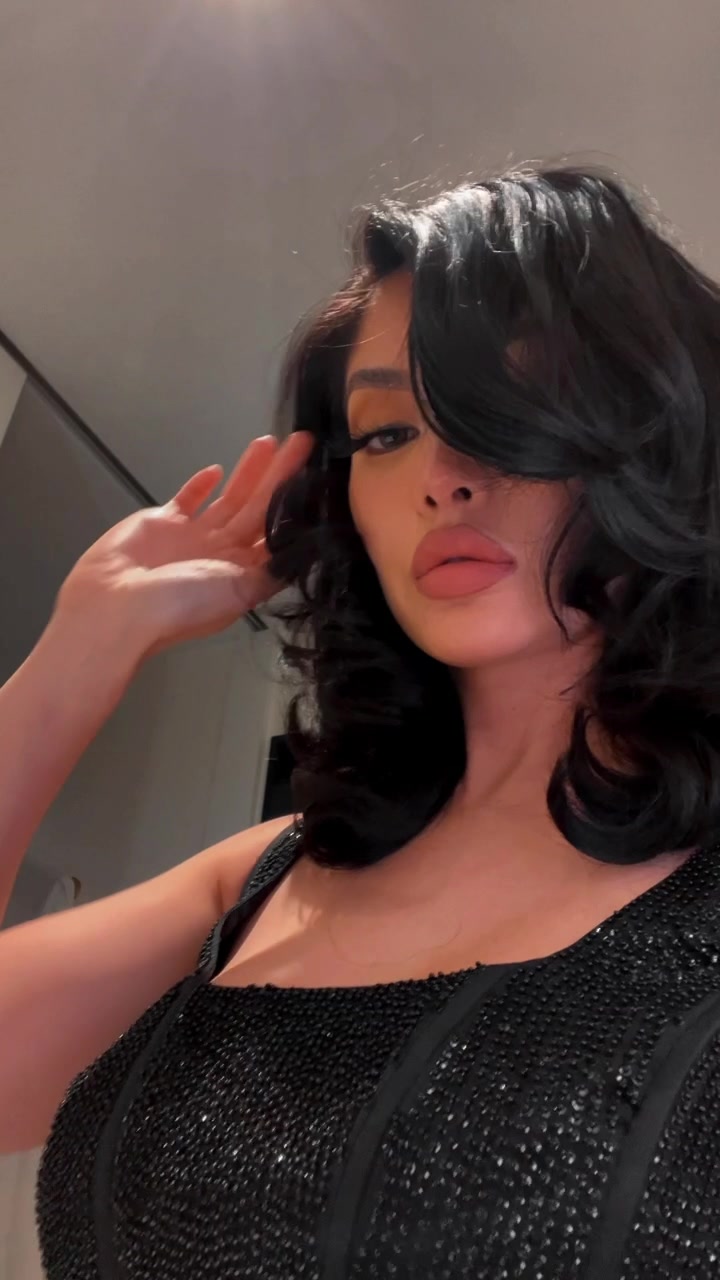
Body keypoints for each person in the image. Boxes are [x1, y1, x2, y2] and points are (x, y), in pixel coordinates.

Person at [1, 164, 720, 1279]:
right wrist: (81, 649)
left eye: (507, 408)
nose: (441, 476)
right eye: (385, 434)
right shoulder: (264, 881)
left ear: (666, 437)